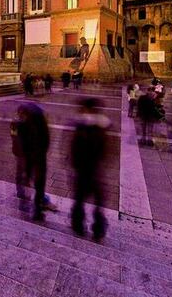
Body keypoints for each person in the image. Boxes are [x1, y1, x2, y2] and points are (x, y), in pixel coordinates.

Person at [70, 98, 110, 240]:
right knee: (98, 201)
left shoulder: (81, 127)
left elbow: (73, 149)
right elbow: (106, 151)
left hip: (83, 170)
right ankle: (98, 228)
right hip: (94, 171)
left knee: (80, 199)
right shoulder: (102, 126)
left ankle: (78, 225)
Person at [12, 103, 51, 221]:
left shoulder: (20, 124)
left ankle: (27, 198)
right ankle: (35, 206)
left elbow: (16, 139)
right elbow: (45, 141)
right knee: (34, 180)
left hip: (28, 156)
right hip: (33, 156)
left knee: (27, 177)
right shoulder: (38, 124)